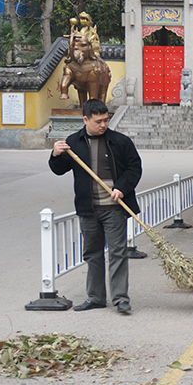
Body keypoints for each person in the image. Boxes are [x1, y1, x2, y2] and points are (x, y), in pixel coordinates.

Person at [49, 98, 142, 314]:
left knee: (118, 252)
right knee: (92, 254)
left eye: (106, 120)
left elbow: (134, 168)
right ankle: (96, 297)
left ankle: (120, 299)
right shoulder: (74, 142)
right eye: (98, 121)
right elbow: (59, 169)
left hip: (114, 207)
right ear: (85, 119)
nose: (103, 125)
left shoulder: (120, 141)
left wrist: (122, 188)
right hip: (88, 209)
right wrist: (55, 154)